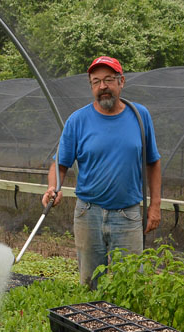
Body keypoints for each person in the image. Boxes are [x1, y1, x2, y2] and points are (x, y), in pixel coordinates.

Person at [42, 56, 161, 289]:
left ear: (121, 81)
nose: (102, 87)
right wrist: (52, 188)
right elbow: (60, 165)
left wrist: (155, 205)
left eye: (108, 80)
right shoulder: (77, 121)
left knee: (131, 284)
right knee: (89, 282)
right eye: (96, 82)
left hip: (128, 215)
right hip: (88, 215)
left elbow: (153, 162)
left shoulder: (139, 116)